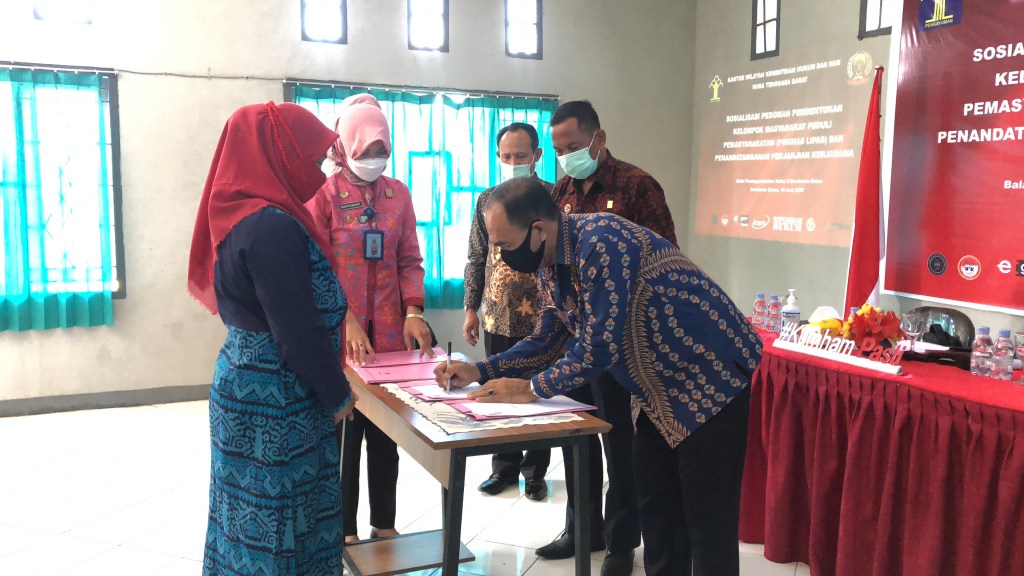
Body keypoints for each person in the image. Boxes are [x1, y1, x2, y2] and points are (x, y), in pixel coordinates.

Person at [436, 178, 762, 576]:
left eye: (505, 244)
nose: (502, 256)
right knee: (658, 508)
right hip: (658, 392)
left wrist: (531, 388)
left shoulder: (601, 241)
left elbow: (598, 347)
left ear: (538, 230)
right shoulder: (549, 264)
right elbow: (548, 337)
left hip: (710, 378)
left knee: (706, 519)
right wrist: (480, 370)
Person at [188, 101, 356, 576]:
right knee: (282, 517)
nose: (318, 171)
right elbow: (296, 330)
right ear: (280, 154)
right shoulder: (272, 226)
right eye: (311, 158)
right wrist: (337, 394)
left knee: (247, 515)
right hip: (280, 398)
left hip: (246, 383)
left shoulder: (238, 213)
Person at [536, 99, 680, 575]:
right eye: (559, 150)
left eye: (573, 146)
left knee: (620, 446)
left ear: (598, 138)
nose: (566, 157)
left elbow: (665, 261)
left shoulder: (637, 186)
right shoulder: (560, 191)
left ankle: (621, 542)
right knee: (575, 435)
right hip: (575, 341)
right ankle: (582, 530)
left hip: (620, 345)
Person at [307, 94, 433, 543]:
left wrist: (413, 311)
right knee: (345, 437)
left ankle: (384, 525)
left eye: (382, 150)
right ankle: (344, 532)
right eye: (366, 150)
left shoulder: (398, 195)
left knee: (386, 436)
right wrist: (345, 321)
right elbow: (316, 267)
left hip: (391, 341)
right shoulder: (323, 195)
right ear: (344, 146)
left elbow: (409, 258)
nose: (375, 159)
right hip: (341, 341)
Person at [464, 122, 553, 501]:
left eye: (520, 155)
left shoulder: (551, 196)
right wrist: (470, 308)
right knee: (497, 389)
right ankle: (503, 468)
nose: (513, 162)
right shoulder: (487, 199)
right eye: (506, 156)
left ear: (536, 156)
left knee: (538, 392)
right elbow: (476, 255)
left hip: (544, 316)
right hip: (496, 313)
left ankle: (535, 472)